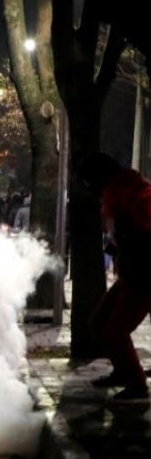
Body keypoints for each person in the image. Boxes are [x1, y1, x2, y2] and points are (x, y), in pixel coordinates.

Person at [79, 152, 151, 403]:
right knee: (99, 322)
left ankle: (137, 384)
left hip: (144, 277)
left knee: (114, 332)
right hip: (132, 272)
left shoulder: (134, 196)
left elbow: (141, 235)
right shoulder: (119, 193)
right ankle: (123, 371)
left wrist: (127, 242)